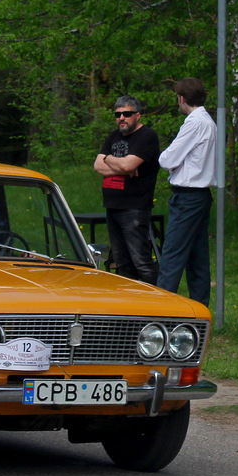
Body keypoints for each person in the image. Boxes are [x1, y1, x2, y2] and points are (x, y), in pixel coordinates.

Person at [155, 78, 216, 306]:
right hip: (200, 195)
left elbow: (167, 158)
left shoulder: (194, 122)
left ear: (182, 99)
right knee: (197, 258)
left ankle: (160, 311)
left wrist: (170, 160)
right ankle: (200, 308)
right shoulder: (208, 121)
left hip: (188, 195)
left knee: (172, 254)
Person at [93, 95, 161, 284]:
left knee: (141, 260)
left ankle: (158, 299)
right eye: (118, 114)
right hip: (112, 205)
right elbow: (98, 165)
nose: (121, 118)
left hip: (135, 207)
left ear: (137, 115)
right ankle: (129, 302)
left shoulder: (147, 136)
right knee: (121, 262)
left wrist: (110, 159)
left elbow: (127, 165)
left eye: (127, 114)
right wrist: (120, 164)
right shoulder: (113, 136)